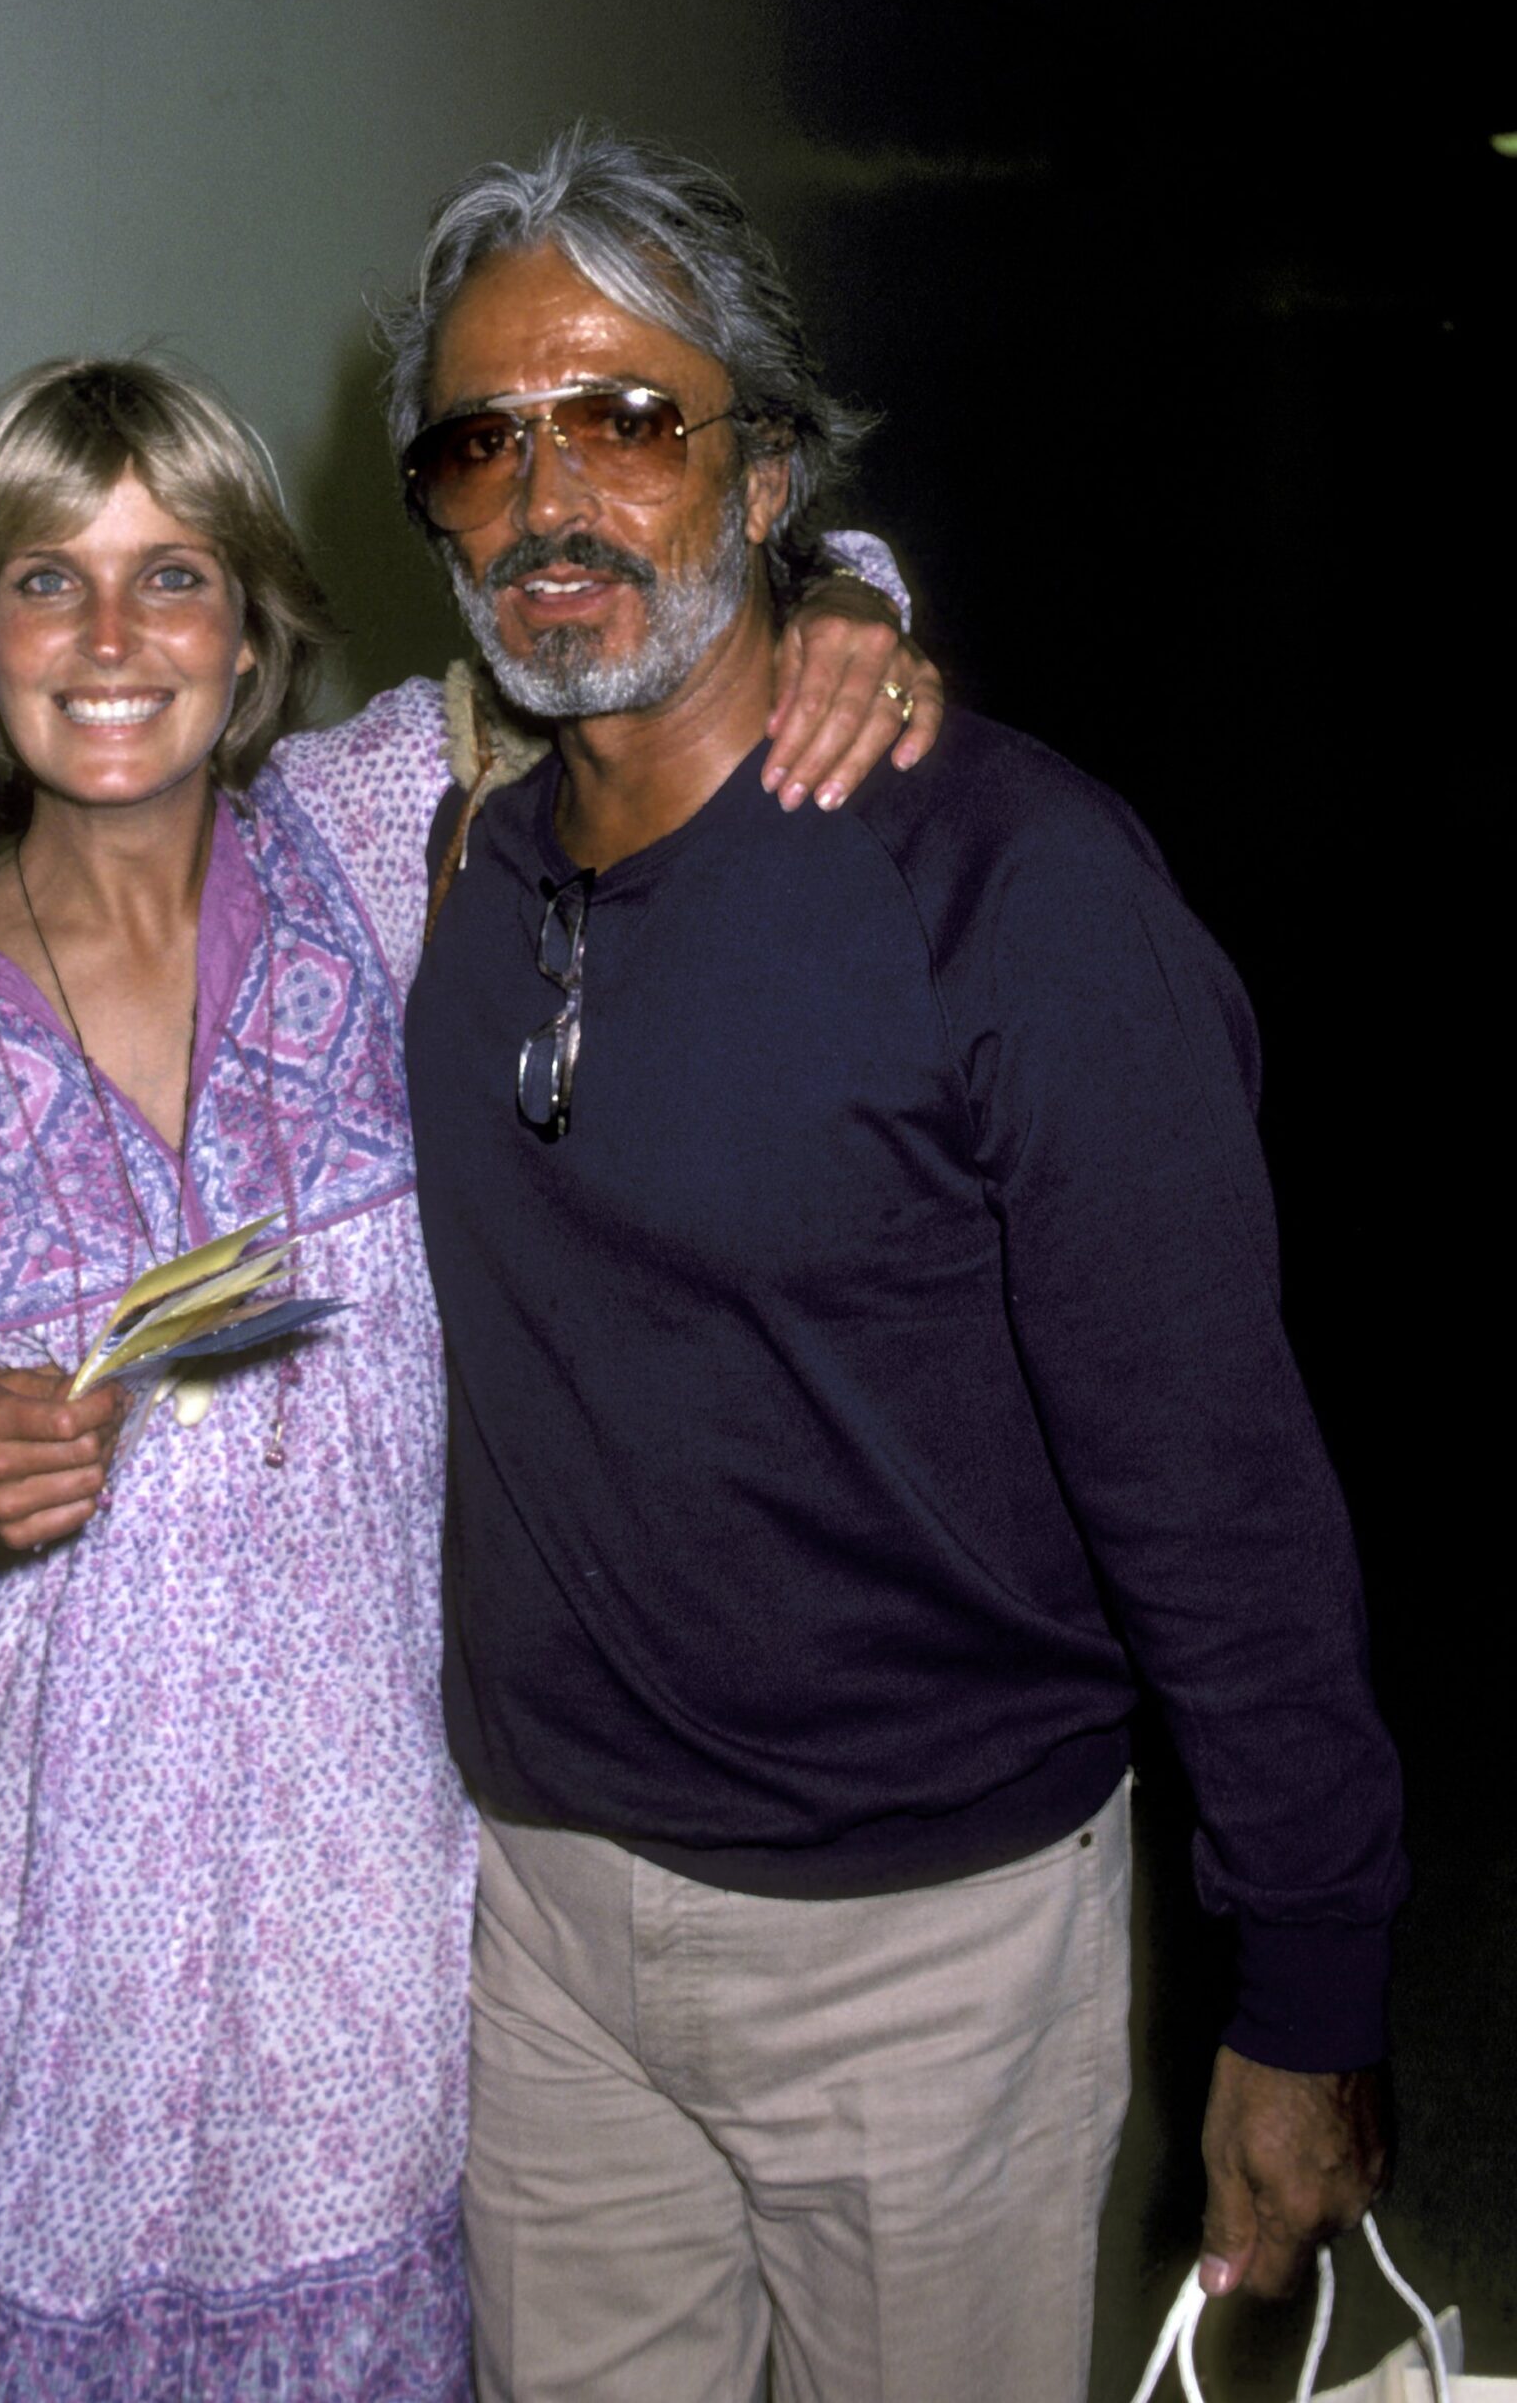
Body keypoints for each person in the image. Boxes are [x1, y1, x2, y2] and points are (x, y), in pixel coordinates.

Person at [0, 354, 934, 2399]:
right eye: (42, 580)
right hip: (31, 1989)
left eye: (171, 574)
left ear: (250, 628)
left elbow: (629, 624)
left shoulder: (363, 838)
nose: (107, 639)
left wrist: (854, 598)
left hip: (376, 1970)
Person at [392, 127, 1407, 2403]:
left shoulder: (1011, 888)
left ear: (760, 479)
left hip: (920, 1942)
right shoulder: (442, 849)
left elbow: (1214, 1469)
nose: (552, 495)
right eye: (486, 440)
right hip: (544, 1923)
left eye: (631, 419)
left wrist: (1311, 1978)